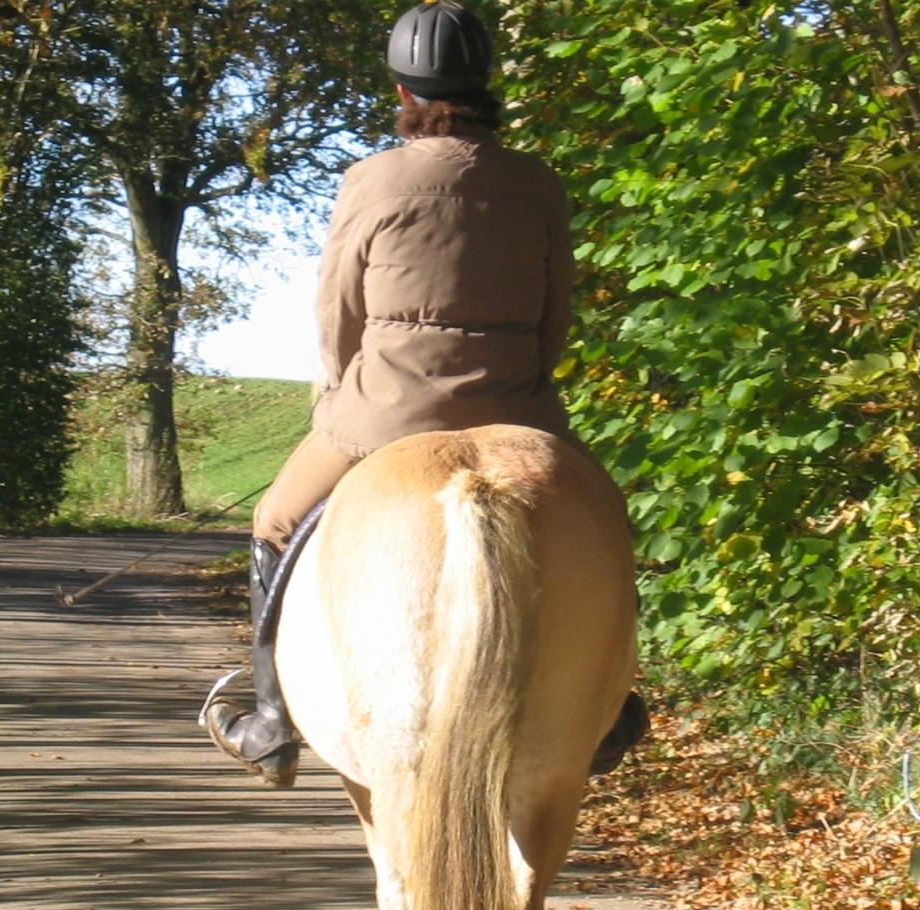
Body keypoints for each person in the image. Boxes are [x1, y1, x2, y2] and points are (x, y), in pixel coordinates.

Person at [203, 0, 646, 783]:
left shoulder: (371, 178)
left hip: (382, 411)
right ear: (485, 84)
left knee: (274, 521)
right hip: (520, 406)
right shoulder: (536, 182)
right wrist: (527, 387)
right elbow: (555, 315)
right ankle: (612, 708)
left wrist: (341, 397)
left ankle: (271, 719)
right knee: (602, 514)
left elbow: (338, 309)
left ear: (403, 91)